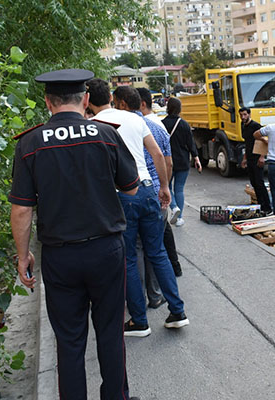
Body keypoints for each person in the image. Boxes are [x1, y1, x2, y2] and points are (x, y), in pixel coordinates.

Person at [9, 69, 141, 400]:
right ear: (85, 99)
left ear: (47, 102)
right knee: (110, 334)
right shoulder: (106, 134)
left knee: (69, 341)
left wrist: (23, 255)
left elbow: (22, 209)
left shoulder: (30, 143)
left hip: (60, 257)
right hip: (106, 250)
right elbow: (131, 188)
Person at [87, 82, 189, 338]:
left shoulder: (92, 126)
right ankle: (178, 312)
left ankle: (140, 321)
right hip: (147, 189)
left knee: (129, 258)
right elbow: (157, 154)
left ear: (87, 100)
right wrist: (164, 187)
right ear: (111, 98)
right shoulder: (135, 118)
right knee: (158, 252)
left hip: (121, 195)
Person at [137, 87, 183, 277]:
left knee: (151, 244)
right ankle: (173, 269)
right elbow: (167, 161)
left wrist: (164, 186)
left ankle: (166, 274)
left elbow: (164, 159)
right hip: (157, 187)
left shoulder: (146, 125)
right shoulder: (157, 124)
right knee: (161, 234)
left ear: (141, 104)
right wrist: (164, 185)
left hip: (148, 189)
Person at [162, 97, 202, 227]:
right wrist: (196, 158)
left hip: (167, 162)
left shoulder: (162, 124)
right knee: (179, 189)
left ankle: (174, 207)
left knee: (167, 186)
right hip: (183, 161)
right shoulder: (184, 124)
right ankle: (179, 218)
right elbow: (191, 144)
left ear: (168, 108)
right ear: (179, 109)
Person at [239, 107, 272, 215]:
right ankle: (260, 205)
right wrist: (244, 159)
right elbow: (247, 143)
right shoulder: (243, 125)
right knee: (254, 182)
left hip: (257, 158)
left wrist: (262, 157)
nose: (243, 117)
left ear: (249, 114)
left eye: (245, 114)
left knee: (259, 182)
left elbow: (265, 141)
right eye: (241, 115)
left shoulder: (256, 126)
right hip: (249, 158)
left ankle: (267, 207)